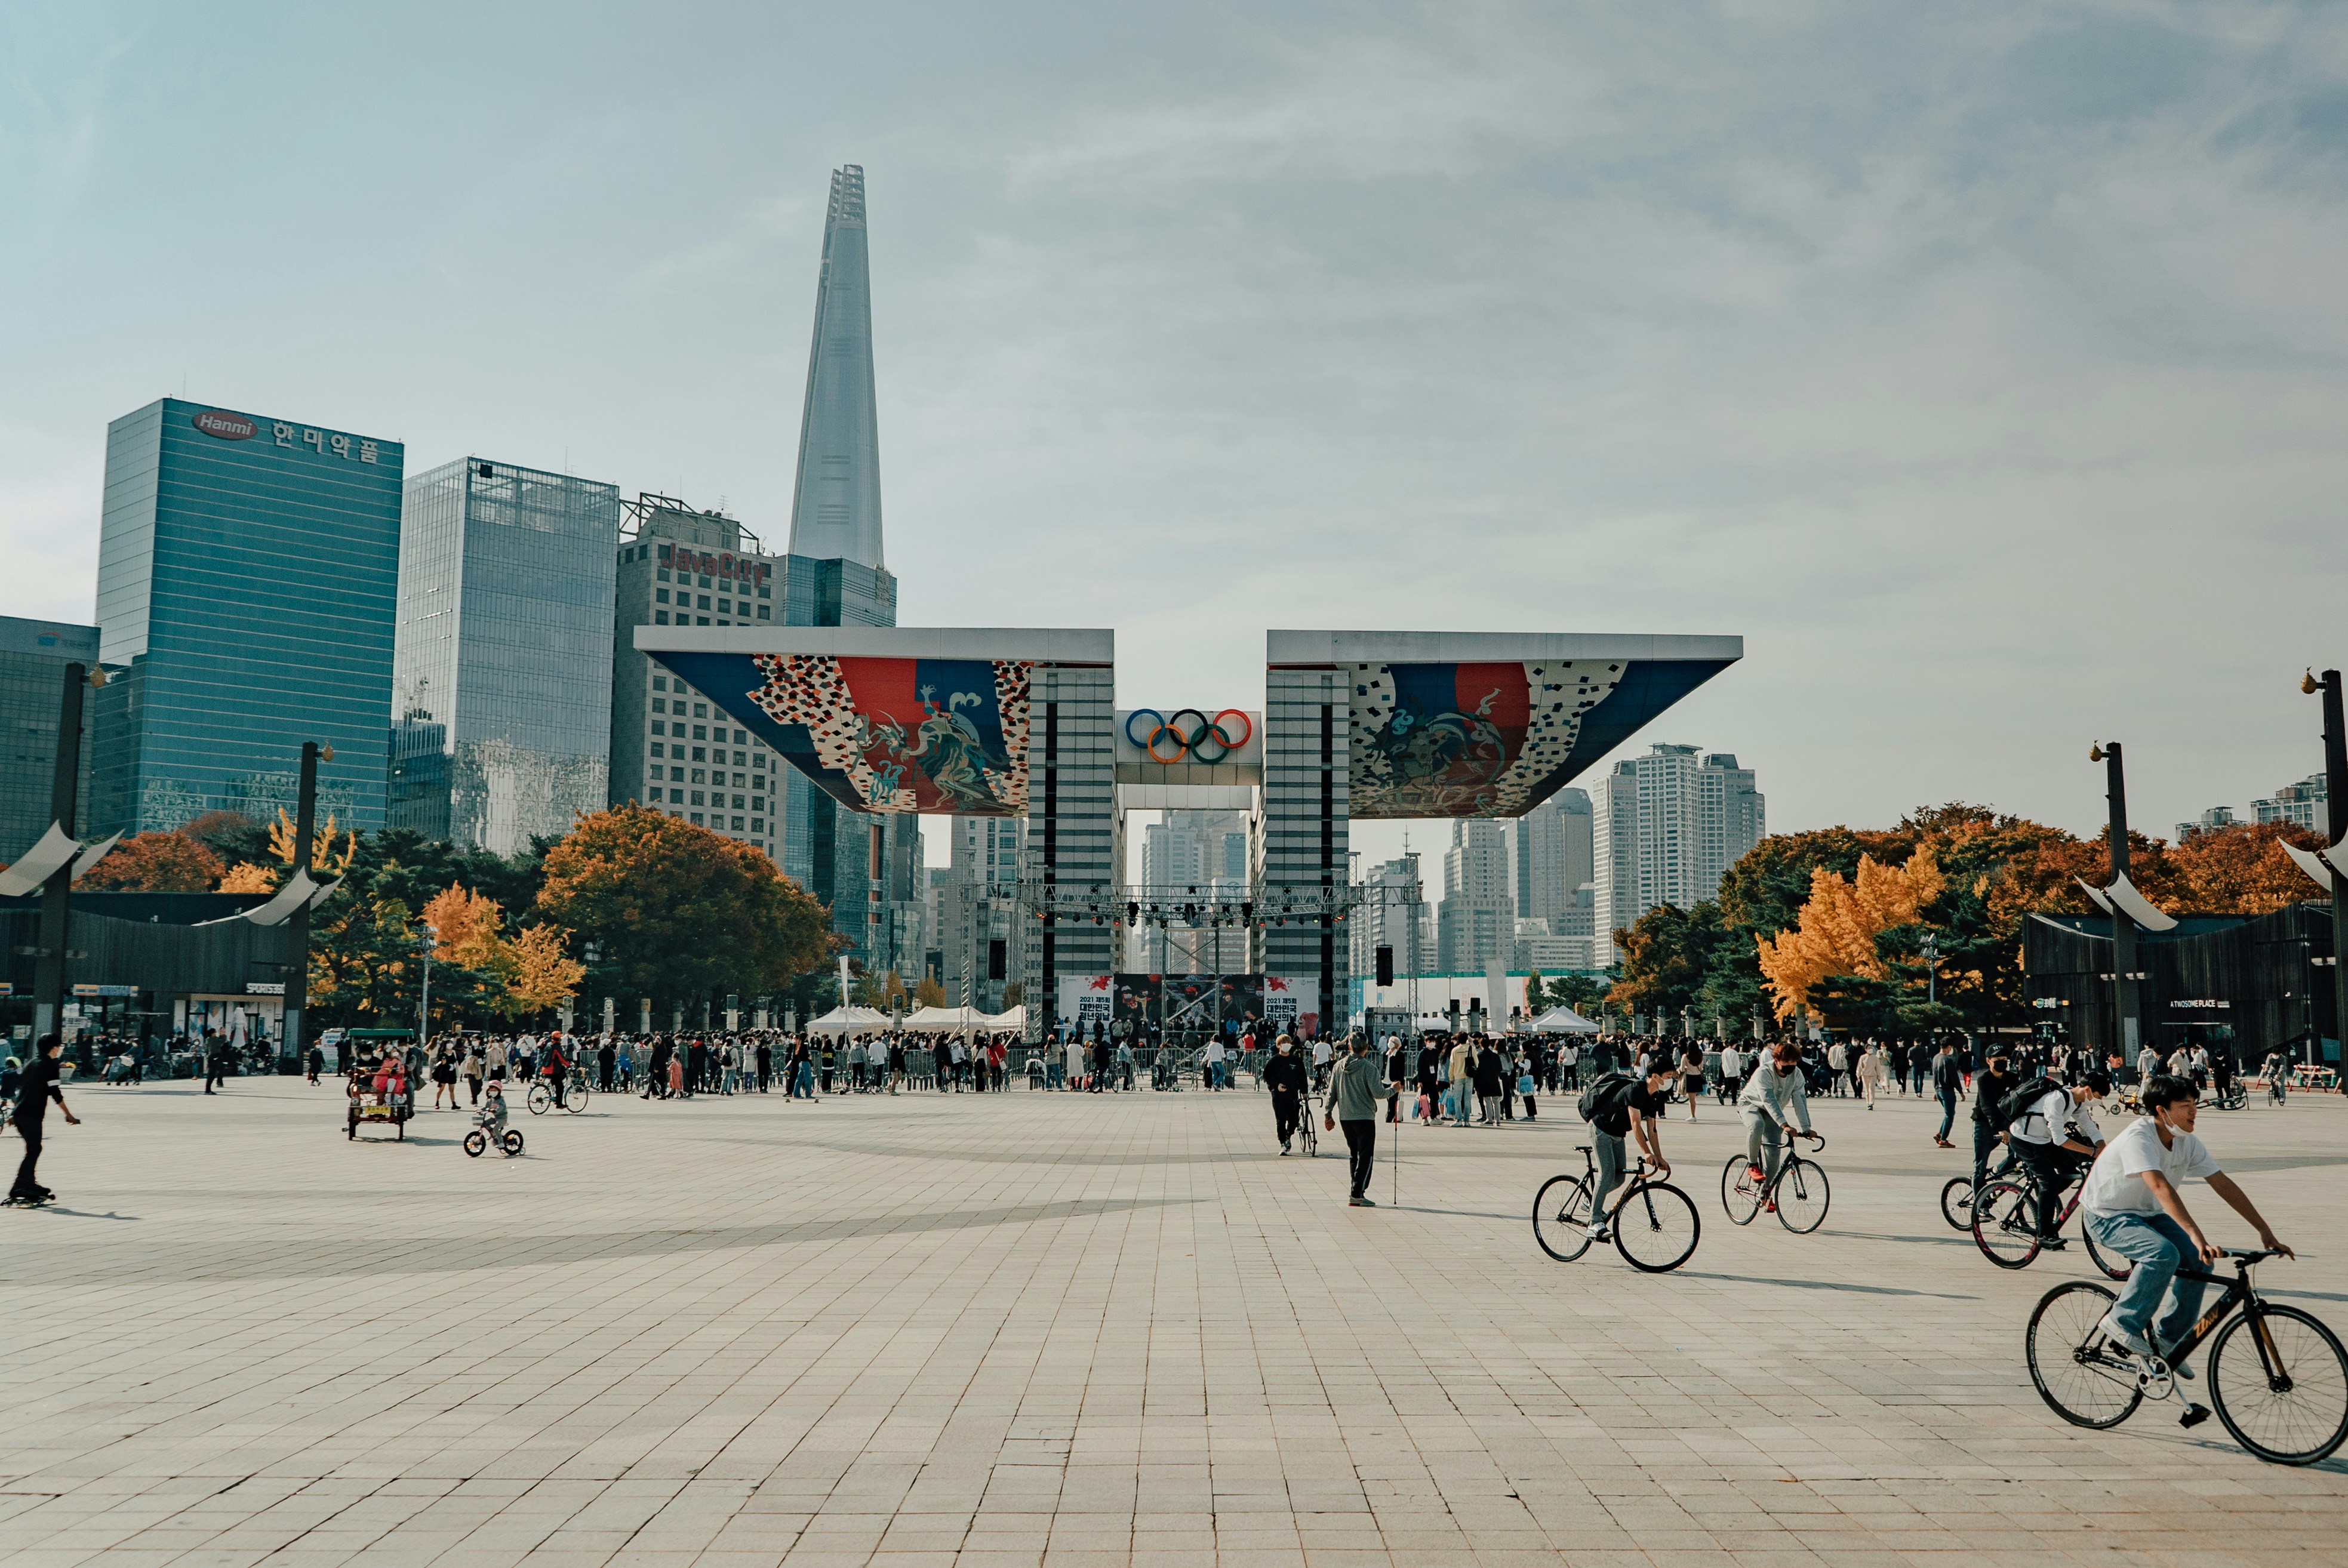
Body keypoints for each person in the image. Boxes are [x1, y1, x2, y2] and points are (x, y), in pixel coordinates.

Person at [2081, 1073, 2294, 1370]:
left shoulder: (2187, 1143)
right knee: (2162, 1254)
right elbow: (2159, 1186)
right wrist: (2195, 1233)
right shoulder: (2138, 1137)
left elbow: (2223, 1184)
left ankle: (2169, 1341)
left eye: (2195, 1104)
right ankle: (2122, 1322)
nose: (2194, 1111)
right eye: (2185, 1105)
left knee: (2199, 1261)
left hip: (2147, 1214)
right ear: (2162, 1110)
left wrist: (2264, 1230)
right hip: (2106, 1214)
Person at [2008, 1070, 2110, 1248]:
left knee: (2071, 1170)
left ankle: (2044, 1199)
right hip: (2025, 1141)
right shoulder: (2056, 1100)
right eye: (2098, 1096)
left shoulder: (2078, 1103)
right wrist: (2091, 1152)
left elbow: (2089, 1127)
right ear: (2087, 1090)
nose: (2099, 1101)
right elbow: (2060, 1139)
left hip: (2044, 1140)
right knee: (2049, 1181)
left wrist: (2103, 1149)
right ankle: (2044, 1234)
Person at [1587, 1058, 1675, 1243]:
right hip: (1601, 1129)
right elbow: (1636, 1124)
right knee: (1607, 1173)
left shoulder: (1655, 1096)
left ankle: (1592, 1200)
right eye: (1668, 1077)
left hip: (1618, 1134)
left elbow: (1652, 1130)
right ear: (1655, 1076)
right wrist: (1646, 1152)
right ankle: (1594, 1224)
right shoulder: (1636, 1089)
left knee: (1619, 1178)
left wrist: (1659, 1157)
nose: (1670, 1080)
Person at [1737, 1042, 1820, 1212]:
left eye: (1793, 1062)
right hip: (1751, 1104)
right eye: (1786, 1062)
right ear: (1776, 1060)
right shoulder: (1764, 1073)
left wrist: (1806, 1127)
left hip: (1773, 1113)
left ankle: (1765, 1193)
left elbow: (1800, 1100)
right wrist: (1785, 1125)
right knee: (1757, 1125)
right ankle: (1753, 1165)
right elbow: (1768, 1100)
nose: (1790, 1066)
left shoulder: (1797, 1075)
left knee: (1774, 1155)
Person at [8, 1035, 80, 1204]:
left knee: (34, 1149)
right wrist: (68, 1114)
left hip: (21, 1114)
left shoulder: (32, 1063)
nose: (60, 1050)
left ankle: (28, 1183)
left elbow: (23, 1089)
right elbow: (55, 1092)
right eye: (59, 1046)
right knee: (34, 1150)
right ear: (54, 1048)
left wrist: (14, 1113)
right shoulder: (49, 1065)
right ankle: (20, 1186)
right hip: (31, 1115)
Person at [1325, 1033, 1395, 1206]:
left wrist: (1328, 1114)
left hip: (1346, 1117)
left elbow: (1331, 1092)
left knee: (1354, 1154)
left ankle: (1355, 1190)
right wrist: (1393, 1089)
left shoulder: (1338, 1067)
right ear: (1367, 1047)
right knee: (1365, 1155)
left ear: (1349, 1046)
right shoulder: (1369, 1068)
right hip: (1364, 1117)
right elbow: (1379, 1093)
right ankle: (1357, 1193)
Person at [1970, 1048, 2019, 1194]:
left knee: (2021, 1151)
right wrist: (1999, 1128)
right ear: (1988, 1061)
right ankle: (1981, 1206)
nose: (2002, 1063)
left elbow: (2018, 1102)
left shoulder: (2012, 1078)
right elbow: (1987, 1107)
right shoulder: (1984, 1079)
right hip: (1985, 1123)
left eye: (2005, 1059)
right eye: (1998, 1060)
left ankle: (1996, 1171)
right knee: (1980, 1166)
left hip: (2006, 1122)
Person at [1264, 1035, 1307, 1153]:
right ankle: (1283, 1143)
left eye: (1288, 1043)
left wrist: (1304, 1092)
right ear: (1278, 1045)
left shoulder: (1296, 1061)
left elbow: (1302, 1077)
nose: (1286, 1045)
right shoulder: (1274, 1061)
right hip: (1278, 1096)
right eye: (1284, 1043)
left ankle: (1289, 1136)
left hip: (1293, 1094)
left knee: (1294, 1119)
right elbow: (1267, 1077)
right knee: (1281, 1120)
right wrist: (1276, 1085)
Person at [1931, 1040, 1965, 1148]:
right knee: (1950, 1115)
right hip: (1947, 1091)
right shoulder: (1947, 1060)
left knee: (1947, 1114)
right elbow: (1954, 1077)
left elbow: (1934, 1075)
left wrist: (1935, 1090)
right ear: (1949, 1047)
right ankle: (1943, 1139)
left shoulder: (1936, 1058)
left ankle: (1941, 1133)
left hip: (1939, 1090)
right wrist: (1960, 1091)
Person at [1679, 1042, 1704, 1122]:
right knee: (1693, 1098)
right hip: (1697, 1077)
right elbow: (1701, 1067)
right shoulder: (1700, 1055)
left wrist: (1687, 1067)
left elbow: (1682, 1069)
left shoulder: (1686, 1056)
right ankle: (1693, 1115)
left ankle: (1693, 1115)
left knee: (1691, 1099)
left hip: (1690, 1077)